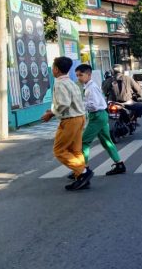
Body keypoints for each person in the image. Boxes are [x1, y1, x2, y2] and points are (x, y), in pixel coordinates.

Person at [40, 57, 93, 191]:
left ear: (56, 69)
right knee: (75, 150)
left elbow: (63, 103)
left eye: (52, 67)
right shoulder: (70, 82)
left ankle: (83, 172)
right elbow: (67, 102)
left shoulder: (59, 83)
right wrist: (52, 110)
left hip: (70, 120)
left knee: (59, 150)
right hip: (79, 117)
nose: (52, 69)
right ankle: (81, 175)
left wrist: (51, 113)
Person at [75, 64, 126, 176]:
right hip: (101, 115)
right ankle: (119, 164)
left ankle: (83, 169)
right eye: (77, 75)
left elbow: (93, 105)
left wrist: (80, 106)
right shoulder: (89, 86)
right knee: (107, 142)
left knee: (84, 142)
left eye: (81, 75)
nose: (79, 77)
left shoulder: (91, 87)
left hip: (97, 116)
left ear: (89, 75)